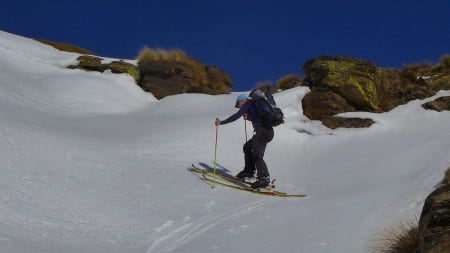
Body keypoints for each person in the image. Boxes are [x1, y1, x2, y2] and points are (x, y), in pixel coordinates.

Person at [215, 94, 274, 189]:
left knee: (257, 155)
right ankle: (249, 171)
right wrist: (249, 117)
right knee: (247, 147)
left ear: (242, 101)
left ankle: (264, 178)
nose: (239, 107)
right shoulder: (254, 105)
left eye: (238, 105)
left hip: (262, 132)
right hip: (266, 132)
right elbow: (257, 118)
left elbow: (236, 116)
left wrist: (222, 122)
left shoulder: (248, 103)